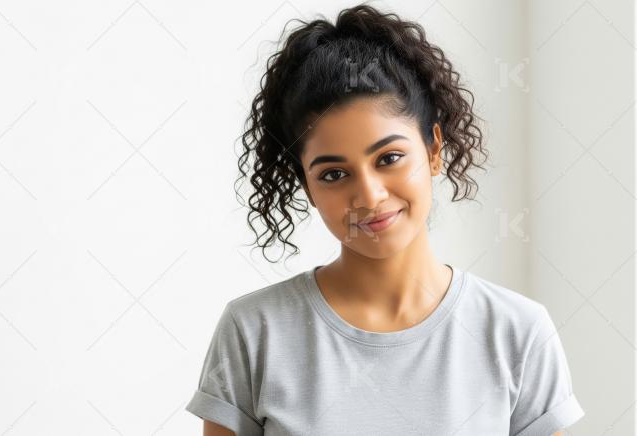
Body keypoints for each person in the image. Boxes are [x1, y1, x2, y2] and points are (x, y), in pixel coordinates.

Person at [186, 3, 584, 435]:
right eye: (333, 174)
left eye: (389, 158)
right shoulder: (253, 333)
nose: (370, 195)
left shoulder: (517, 333)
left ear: (433, 150)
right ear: (307, 186)